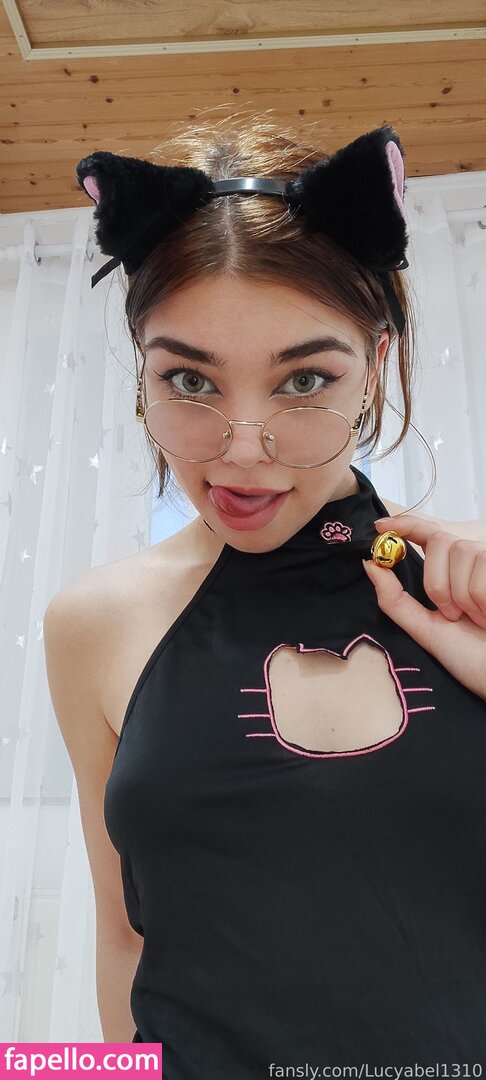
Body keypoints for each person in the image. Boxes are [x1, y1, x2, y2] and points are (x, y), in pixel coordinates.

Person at [45, 117, 486, 1075]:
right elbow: (125, 936)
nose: (243, 449)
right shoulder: (95, 623)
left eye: (305, 379)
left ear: (375, 366)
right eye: (190, 379)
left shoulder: (467, 594)